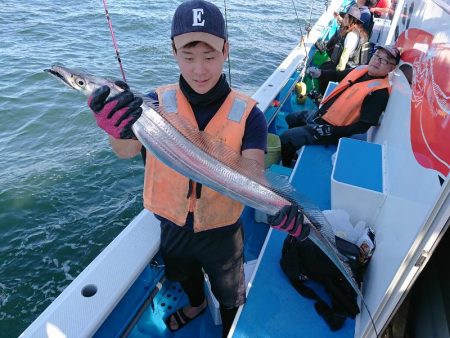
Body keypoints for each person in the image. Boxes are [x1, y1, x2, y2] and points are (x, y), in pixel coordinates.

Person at [86, 1, 307, 336]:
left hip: (223, 231)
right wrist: (116, 130)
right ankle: (195, 305)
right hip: (172, 223)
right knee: (182, 272)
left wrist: (277, 207)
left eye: (210, 56)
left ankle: (231, 322)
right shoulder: (152, 104)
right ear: (174, 52)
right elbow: (126, 150)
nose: (200, 69)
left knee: (229, 287)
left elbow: (252, 172)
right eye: (188, 57)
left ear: (226, 51)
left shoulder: (251, 116)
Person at [280, 44, 400, 167]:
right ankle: (292, 150)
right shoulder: (361, 69)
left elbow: (363, 126)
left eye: (384, 60)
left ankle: (285, 165)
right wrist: (320, 73)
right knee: (291, 118)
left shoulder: (379, 93)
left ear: (392, 68)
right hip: (322, 115)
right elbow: (338, 75)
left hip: (333, 130)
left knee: (286, 138)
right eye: (376, 56)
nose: (377, 61)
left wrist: (334, 131)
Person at [319, 6, 369, 84]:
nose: (343, 19)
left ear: (351, 20)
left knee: (323, 69)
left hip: (347, 67)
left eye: (345, 18)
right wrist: (338, 18)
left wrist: (339, 72)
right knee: (326, 66)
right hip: (352, 65)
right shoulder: (358, 31)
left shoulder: (351, 35)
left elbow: (345, 55)